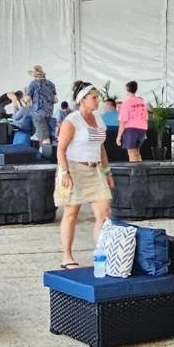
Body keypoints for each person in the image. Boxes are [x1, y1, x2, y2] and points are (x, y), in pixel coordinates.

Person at [56, 80, 113, 269]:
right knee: (71, 213)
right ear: (82, 99)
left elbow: (101, 147)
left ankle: (102, 253)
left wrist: (107, 171)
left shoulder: (98, 118)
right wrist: (65, 173)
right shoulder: (72, 120)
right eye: (94, 97)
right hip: (74, 169)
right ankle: (67, 256)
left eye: (98, 97)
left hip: (95, 169)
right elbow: (61, 149)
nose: (97, 101)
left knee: (104, 212)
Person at [117, 80, 149, 162]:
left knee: (132, 152)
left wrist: (119, 136)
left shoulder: (126, 102)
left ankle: (135, 172)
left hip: (131, 129)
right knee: (137, 152)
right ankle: (140, 171)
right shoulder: (142, 102)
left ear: (127, 90)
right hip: (142, 128)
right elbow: (146, 117)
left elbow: (123, 121)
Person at [27, 65, 58, 146]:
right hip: (49, 112)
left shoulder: (33, 84)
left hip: (38, 112)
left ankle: (46, 155)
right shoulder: (51, 84)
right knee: (45, 132)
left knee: (44, 137)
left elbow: (27, 99)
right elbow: (55, 100)